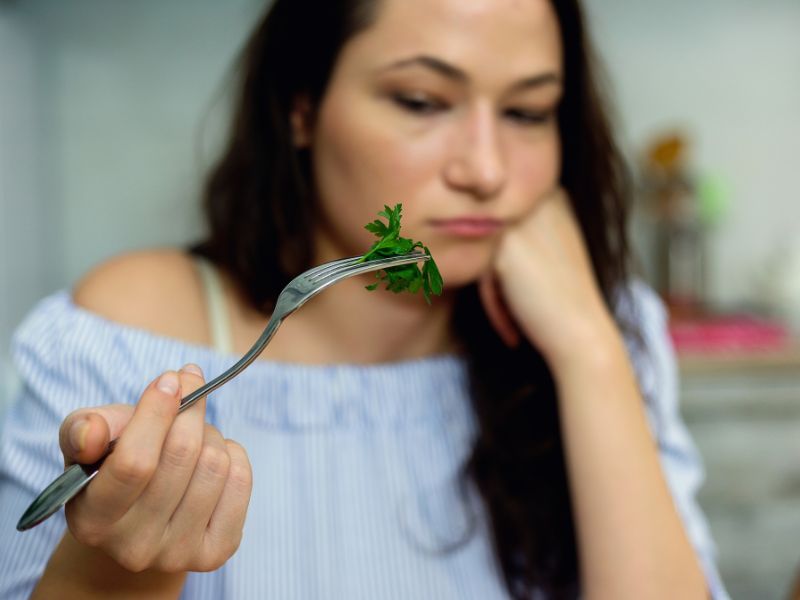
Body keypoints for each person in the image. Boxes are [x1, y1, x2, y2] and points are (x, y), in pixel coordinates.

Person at [0, 0, 729, 598]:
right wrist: (116, 563)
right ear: (301, 108)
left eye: (527, 112)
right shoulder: (128, 332)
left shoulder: (610, 330)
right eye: (420, 101)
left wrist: (588, 350)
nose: (486, 169)